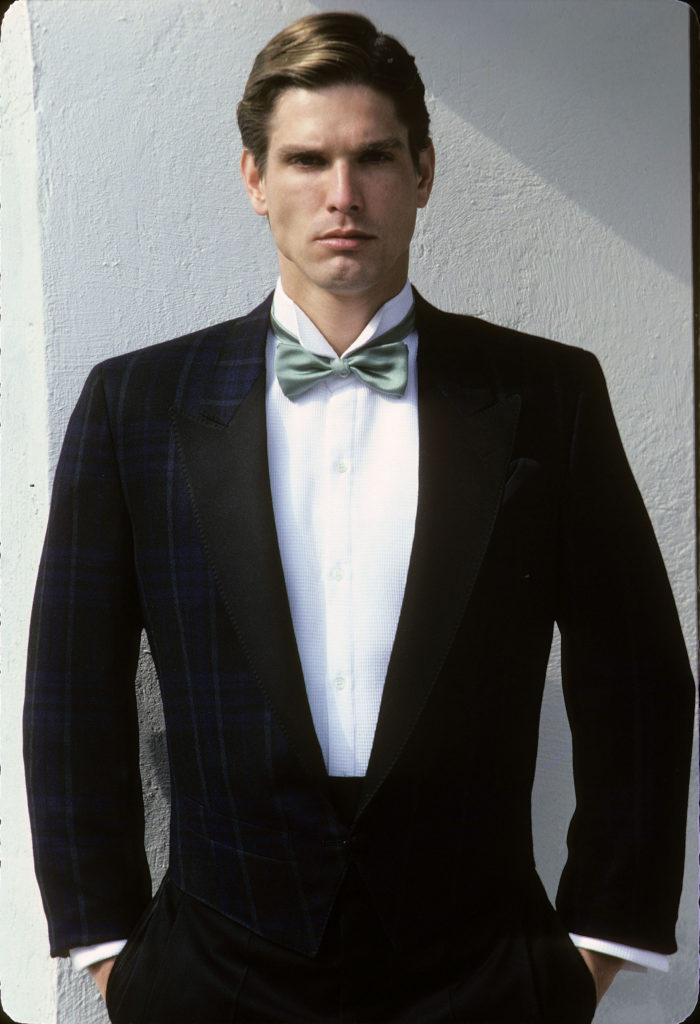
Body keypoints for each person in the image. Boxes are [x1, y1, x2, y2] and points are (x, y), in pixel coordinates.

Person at [24, 12, 694, 1023]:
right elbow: (71, 693)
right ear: (254, 179)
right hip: (212, 975)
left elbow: (637, 681)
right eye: (307, 160)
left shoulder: (545, 394)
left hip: (482, 975)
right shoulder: (137, 403)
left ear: (422, 173)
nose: (342, 195)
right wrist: (112, 952)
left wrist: (594, 947)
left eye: (373, 157)